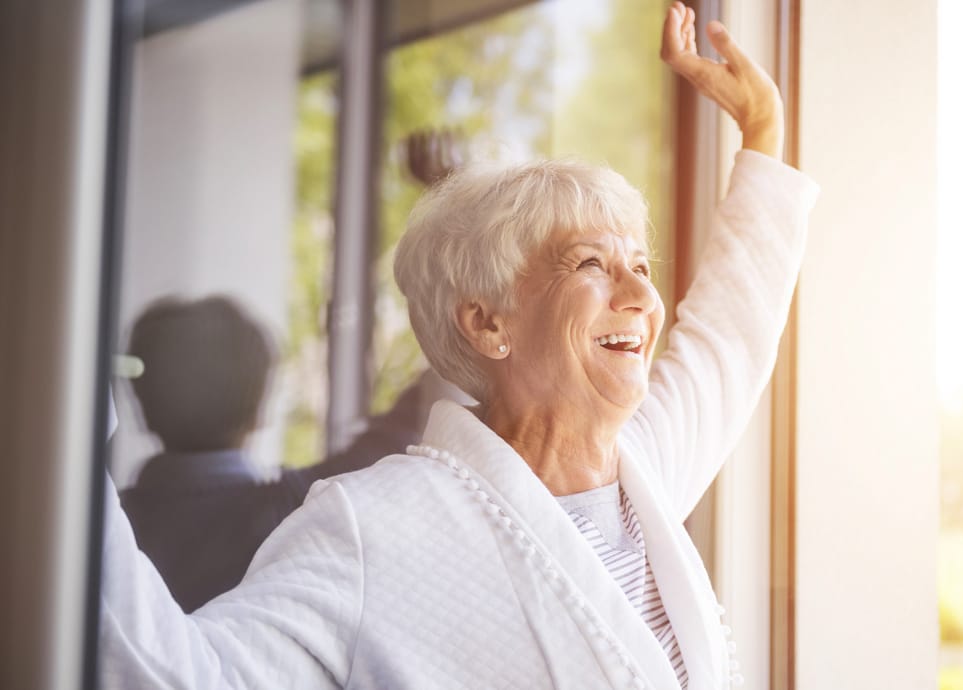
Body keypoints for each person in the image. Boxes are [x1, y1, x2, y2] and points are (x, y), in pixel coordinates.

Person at [99, 5, 819, 688]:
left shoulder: (647, 466)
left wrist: (763, 132)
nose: (640, 297)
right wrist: (57, 430)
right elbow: (182, 677)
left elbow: (731, 331)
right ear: (487, 323)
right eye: (592, 265)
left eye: (640, 265)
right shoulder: (374, 527)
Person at [118, 296, 410, 612]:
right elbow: (403, 428)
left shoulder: (102, 523)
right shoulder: (292, 510)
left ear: (143, 407)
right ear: (259, 413)